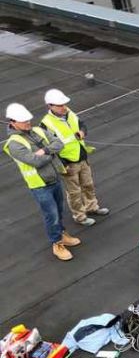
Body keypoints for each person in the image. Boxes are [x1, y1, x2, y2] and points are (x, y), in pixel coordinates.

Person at [4, 103, 81, 261]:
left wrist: (45, 151)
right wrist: (51, 153)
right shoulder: (14, 144)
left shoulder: (38, 130)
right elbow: (35, 161)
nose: (27, 122)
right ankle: (57, 243)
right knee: (51, 215)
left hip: (54, 178)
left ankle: (61, 233)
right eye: (23, 120)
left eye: (28, 119)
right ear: (12, 122)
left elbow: (59, 143)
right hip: (39, 185)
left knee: (59, 211)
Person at [40, 89, 109, 227]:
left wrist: (82, 132)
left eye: (64, 104)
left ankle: (92, 207)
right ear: (50, 106)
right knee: (74, 192)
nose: (63, 107)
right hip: (68, 163)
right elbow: (49, 148)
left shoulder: (70, 113)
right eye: (60, 105)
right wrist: (61, 164)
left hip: (82, 157)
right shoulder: (46, 124)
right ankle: (80, 216)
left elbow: (82, 124)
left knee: (88, 185)